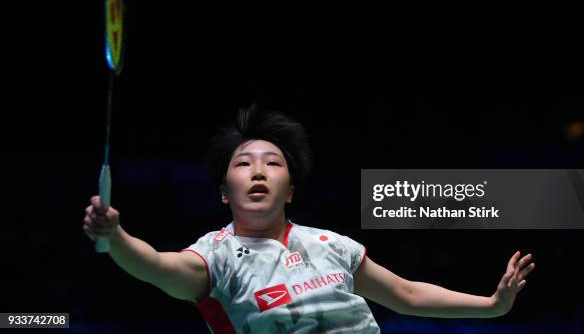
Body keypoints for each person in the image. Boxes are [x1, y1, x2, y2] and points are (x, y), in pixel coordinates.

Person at [83, 105, 535, 333]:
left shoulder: (330, 245)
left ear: (291, 190)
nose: (258, 171)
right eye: (243, 164)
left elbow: (407, 294)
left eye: (273, 163)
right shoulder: (215, 258)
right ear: (224, 193)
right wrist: (116, 235)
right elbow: (158, 267)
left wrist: (491, 305)